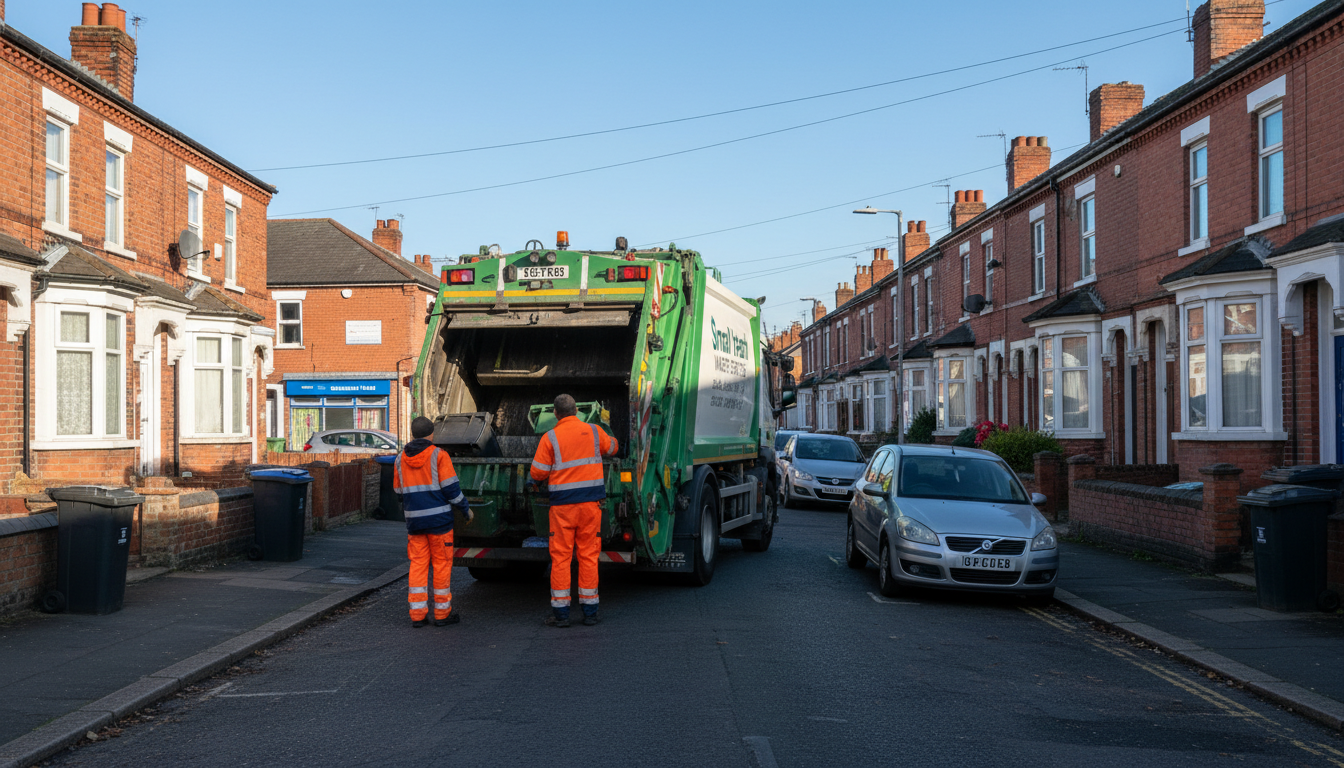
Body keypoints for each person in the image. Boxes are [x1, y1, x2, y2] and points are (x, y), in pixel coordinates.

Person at [529, 394, 618, 627]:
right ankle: (590, 613)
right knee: (588, 556)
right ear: (577, 410)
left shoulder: (550, 438)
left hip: (562, 509)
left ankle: (561, 616)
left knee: (561, 559)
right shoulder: (595, 431)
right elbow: (612, 447)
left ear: (556, 414)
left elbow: (538, 473)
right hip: (590, 507)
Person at [394, 416, 472, 628]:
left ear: (412, 434)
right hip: (439, 523)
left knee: (418, 565)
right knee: (441, 565)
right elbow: (451, 490)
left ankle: (418, 616)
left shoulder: (400, 458)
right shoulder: (439, 455)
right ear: (432, 435)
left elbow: (398, 491)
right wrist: (465, 509)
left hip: (414, 523)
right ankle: (442, 614)